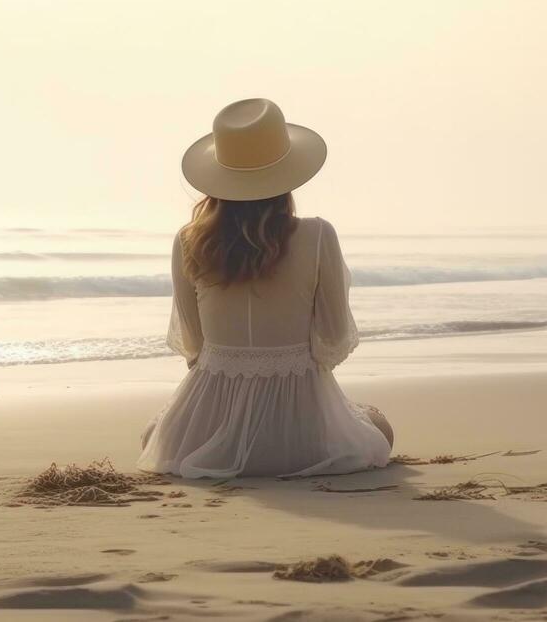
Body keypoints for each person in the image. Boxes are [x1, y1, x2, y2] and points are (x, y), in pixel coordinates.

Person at [137, 97, 394, 479]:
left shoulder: (189, 241)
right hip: (302, 439)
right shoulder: (318, 235)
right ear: (288, 176)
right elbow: (334, 338)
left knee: (153, 437)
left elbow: (193, 345)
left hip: (206, 435)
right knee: (379, 426)